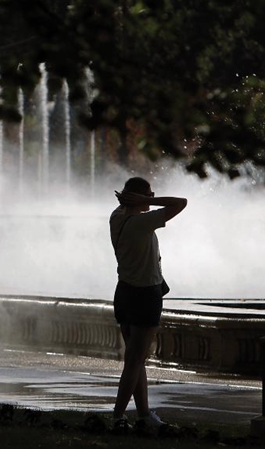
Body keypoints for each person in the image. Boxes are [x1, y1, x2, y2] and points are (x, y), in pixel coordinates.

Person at [109, 177, 187, 431]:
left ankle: (143, 414)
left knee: (135, 359)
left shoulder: (117, 217)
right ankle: (118, 416)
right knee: (134, 360)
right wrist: (149, 201)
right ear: (138, 197)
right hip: (145, 295)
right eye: (148, 194)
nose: (152, 197)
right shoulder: (142, 222)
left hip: (124, 292)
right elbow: (181, 203)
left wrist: (141, 200)